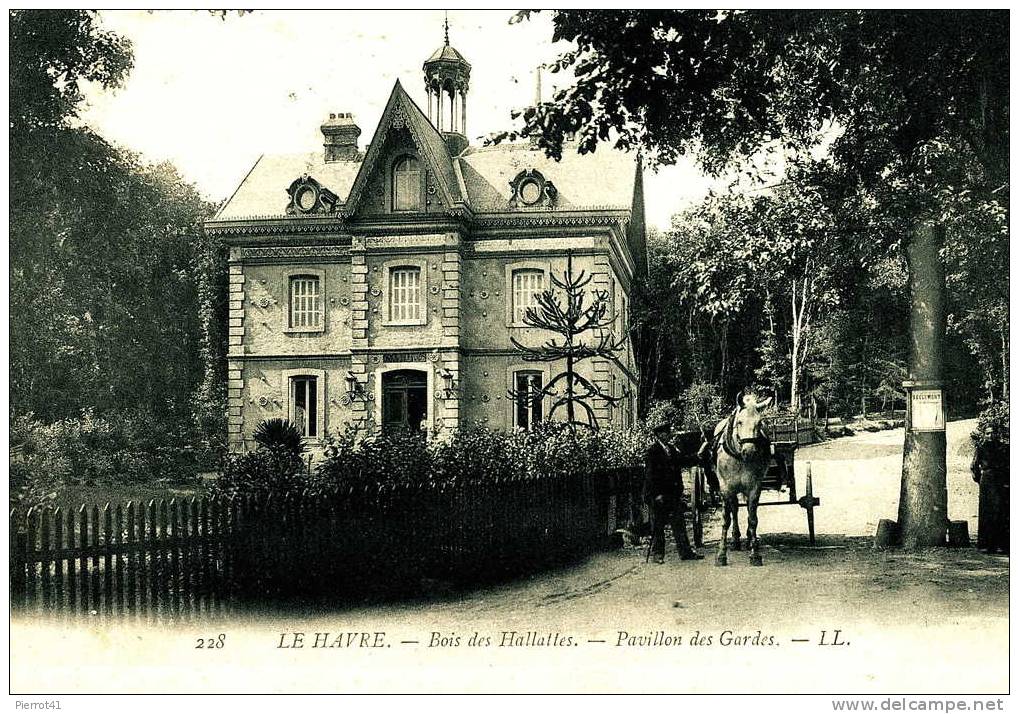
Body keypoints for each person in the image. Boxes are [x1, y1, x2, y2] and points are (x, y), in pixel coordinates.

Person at [644, 417, 703, 563]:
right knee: (657, 526)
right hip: (658, 495)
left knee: (679, 524)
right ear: (658, 435)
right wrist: (656, 494)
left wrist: (698, 456)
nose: (668, 434)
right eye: (665, 433)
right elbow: (650, 475)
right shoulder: (653, 451)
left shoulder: (671, 449)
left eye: (668, 432)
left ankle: (686, 553)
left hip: (672, 494)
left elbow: (683, 460)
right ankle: (658, 555)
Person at [972, 438, 1009, 554]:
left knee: (996, 511)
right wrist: (979, 480)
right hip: (992, 480)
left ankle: (996, 545)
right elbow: (974, 466)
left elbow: (974, 467)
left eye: (992, 433)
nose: (990, 435)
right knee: (990, 511)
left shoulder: (1002, 447)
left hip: (996, 479)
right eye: (989, 433)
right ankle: (989, 545)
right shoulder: (984, 447)